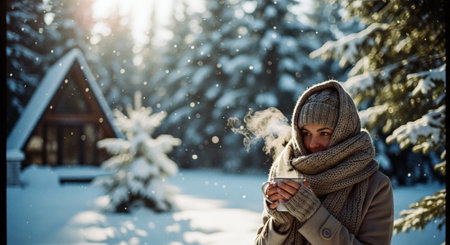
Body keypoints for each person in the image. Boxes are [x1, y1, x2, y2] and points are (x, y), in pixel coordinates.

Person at [255, 80, 394, 244]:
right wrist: (280, 223)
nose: (313, 143)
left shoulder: (376, 186)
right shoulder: (286, 170)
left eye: (324, 133)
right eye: (306, 133)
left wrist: (311, 214)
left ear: (344, 132)